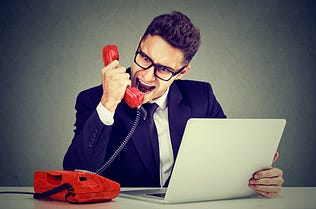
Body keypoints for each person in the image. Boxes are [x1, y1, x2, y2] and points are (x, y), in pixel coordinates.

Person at [63, 11, 284, 198]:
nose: (146, 76)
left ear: (182, 72)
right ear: (139, 43)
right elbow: (74, 173)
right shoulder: (94, 100)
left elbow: (225, 159)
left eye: (164, 69)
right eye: (145, 58)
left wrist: (260, 179)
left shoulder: (201, 97)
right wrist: (108, 103)